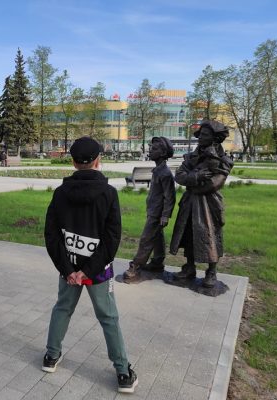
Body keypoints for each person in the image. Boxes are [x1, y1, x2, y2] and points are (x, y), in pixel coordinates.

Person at [43, 136, 138, 394]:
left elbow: (51, 236)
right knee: (108, 317)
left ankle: (51, 356)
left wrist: (69, 270)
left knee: (62, 308)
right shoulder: (109, 194)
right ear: (98, 161)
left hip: (69, 268)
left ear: (73, 162)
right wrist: (86, 271)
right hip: (97, 271)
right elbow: (112, 238)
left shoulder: (60, 193)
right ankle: (122, 372)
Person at [168, 120, 234, 288]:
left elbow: (215, 183)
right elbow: (179, 175)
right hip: (190, 203)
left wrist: (193, 187)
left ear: (214, 138)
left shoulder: (223, 160)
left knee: (211, 235)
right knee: (188, 234)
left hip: (208, 204)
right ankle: (189, 268)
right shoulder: (192, 156)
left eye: (205, 135)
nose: (200, 137)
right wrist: (196, 177)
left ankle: (211, 272)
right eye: (200, 134)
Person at [122, 137, 176, 281]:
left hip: (157, 213)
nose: (150, 151)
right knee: (157, 236)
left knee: (146, 239)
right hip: (153, 210)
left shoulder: (165, 173)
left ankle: (136, 266)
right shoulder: (157, 170)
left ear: (163, 153)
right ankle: (158, 261)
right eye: (151, 148)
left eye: (154, 149)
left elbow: (170, 197)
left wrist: (165, 215)